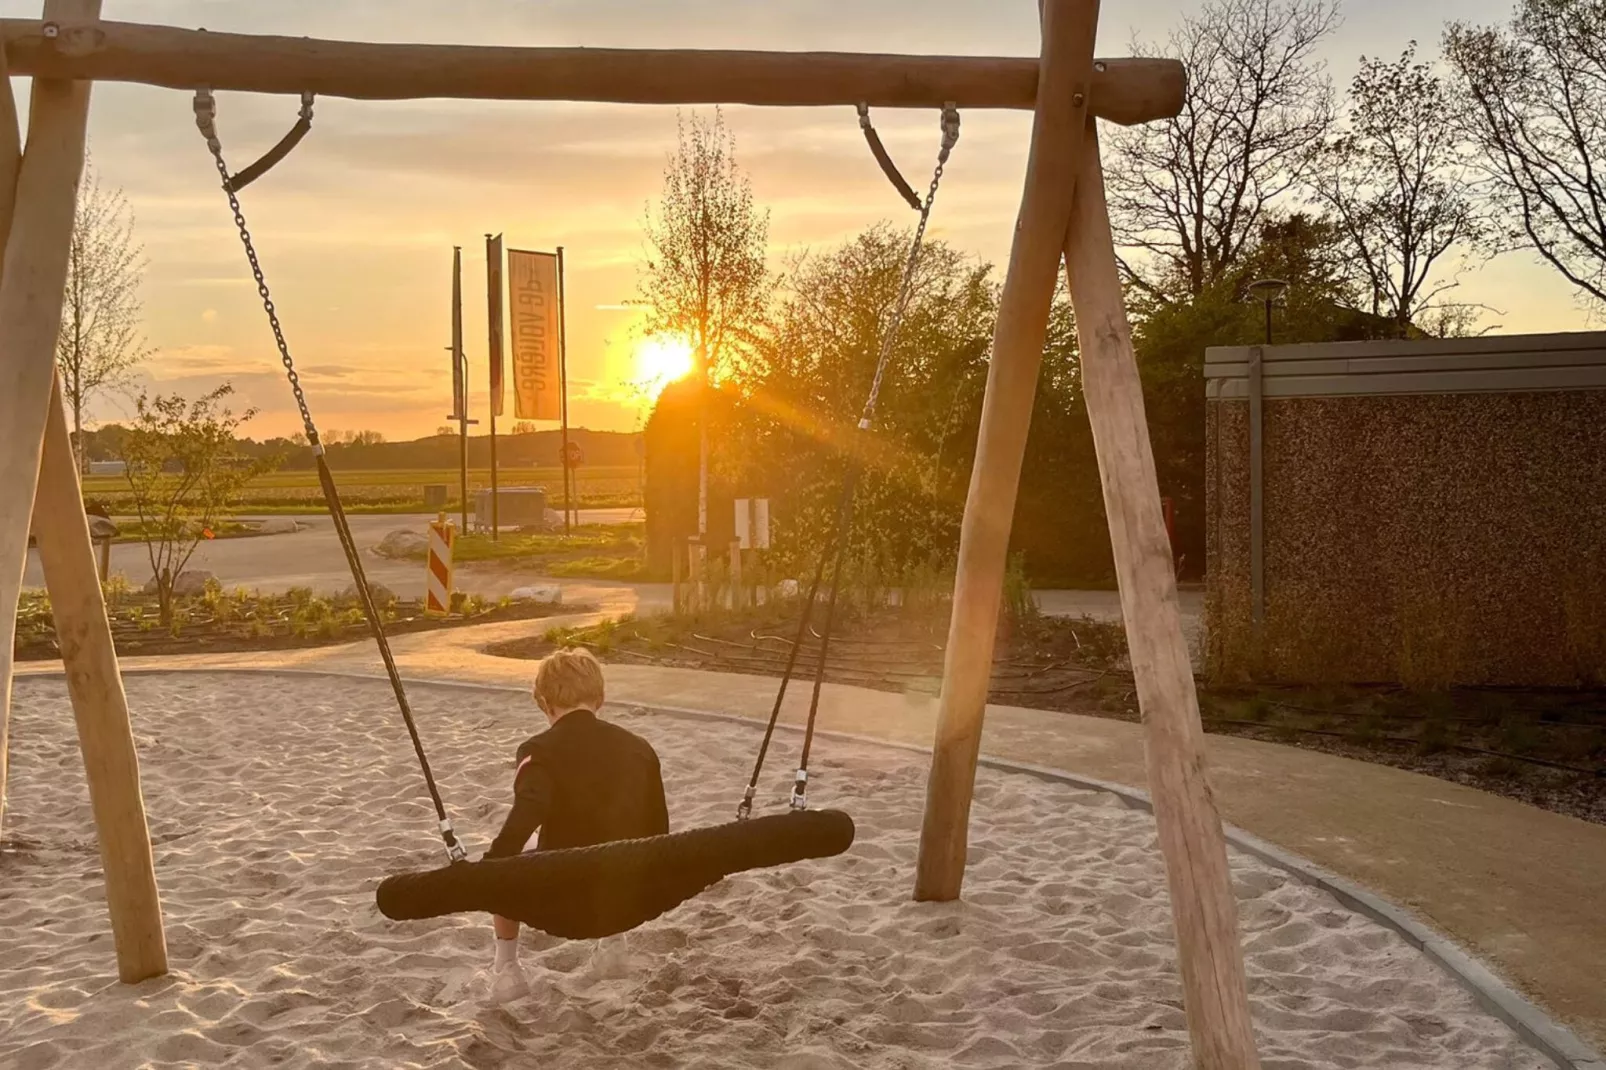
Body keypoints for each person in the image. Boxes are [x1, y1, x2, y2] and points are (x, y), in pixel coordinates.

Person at [482, 646, 669, 1001]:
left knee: (503, 866)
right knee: (615, 846)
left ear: (543, 702)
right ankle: (613, 945)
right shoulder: (640, 748)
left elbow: (526, 814)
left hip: (563, 904)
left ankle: (506, 969)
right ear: (600, 698)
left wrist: (487, 868)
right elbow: (659, 829)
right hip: (632, 902)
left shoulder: (538, 751)